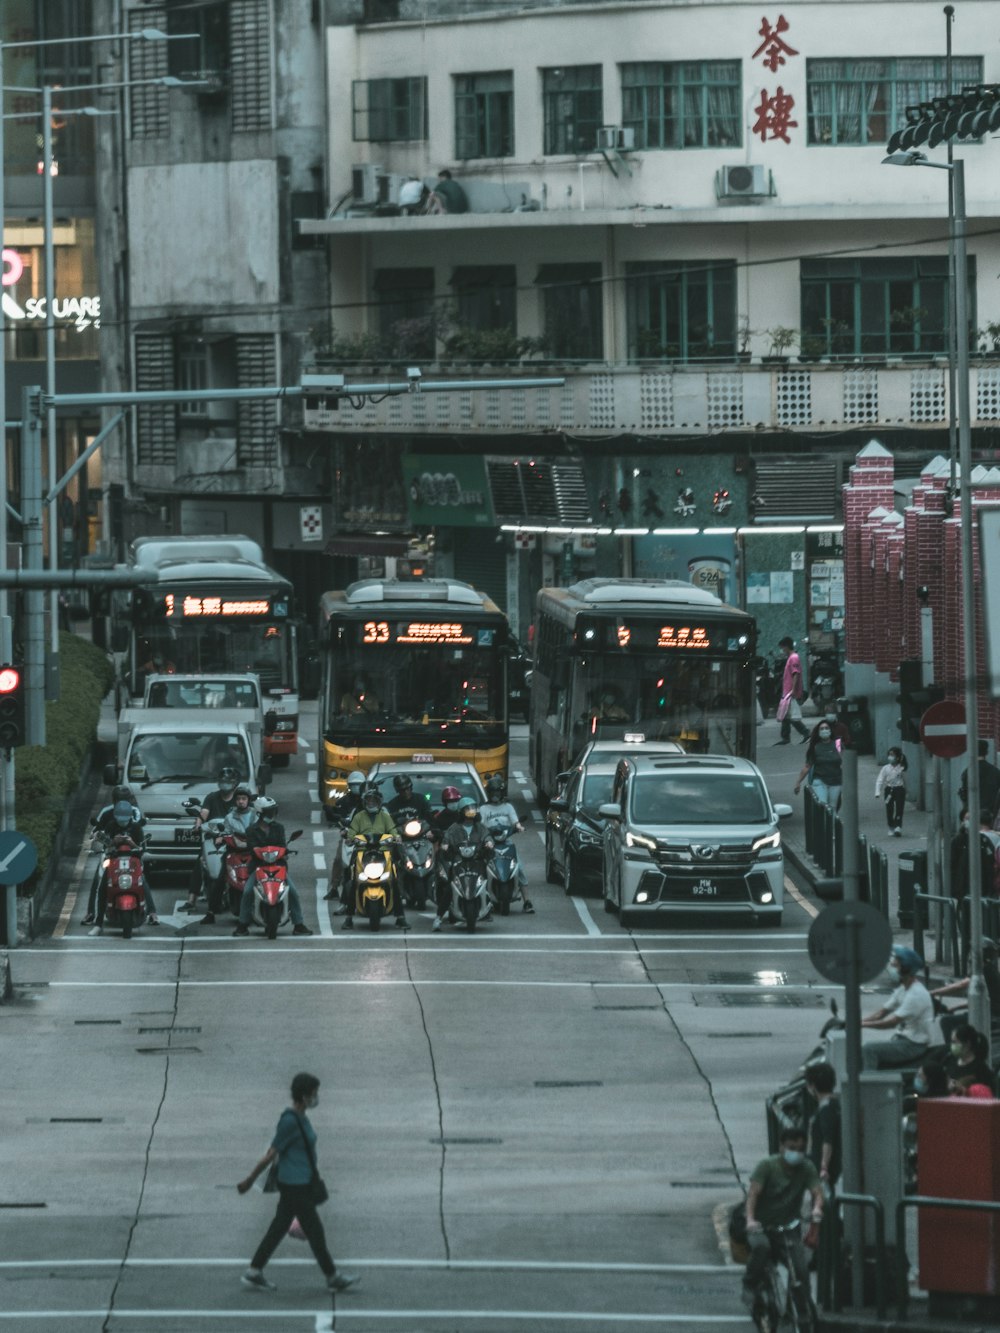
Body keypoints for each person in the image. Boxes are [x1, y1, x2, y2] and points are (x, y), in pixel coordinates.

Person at [237, 1071, 359, 1295]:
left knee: (280, 1228)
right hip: (295, 1186)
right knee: (314, 1231)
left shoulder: (300, 1118)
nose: (316, 1098)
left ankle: (254, 1271)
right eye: (314, 1094)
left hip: (299, 1183)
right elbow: (270, 1154)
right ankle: (332, 1276)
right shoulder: (289, 1121)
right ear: (304, 1096)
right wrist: (249, 1180)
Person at [742, 1126, 824, 1315]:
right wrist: (751, 1220)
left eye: (801, 1149)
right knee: (761, 1248)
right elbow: (753, 1194)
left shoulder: (807, 1168)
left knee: (801, 1270)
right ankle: (749, 1284)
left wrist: (817, 1208)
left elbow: (817, 1192)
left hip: (788, 1228)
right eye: (791, 1148)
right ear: (781, 1147)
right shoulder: (767, 1166)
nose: (796, 1153)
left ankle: (801, 1306)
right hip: (761, 1226)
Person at [233, 798, 312, 937]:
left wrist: (284, 852)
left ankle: (298, 924)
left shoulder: (279, 827)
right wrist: (258, 851)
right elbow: (252, 847)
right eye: (269, 811)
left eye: (273, 811)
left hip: (278, 866)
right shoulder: (251, 830)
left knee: (293, 892)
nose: (272, 814)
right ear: (260, 813)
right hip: (258, 867)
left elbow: (282, 845)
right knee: (247, 893)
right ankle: (242, 925)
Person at [85, 793, 159, 930]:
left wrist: (132, 843)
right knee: (101, 883)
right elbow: (101, 838)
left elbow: (142, 846)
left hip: (133, 859)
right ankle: (95, 918)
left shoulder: (136, 824)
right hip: (112, 858)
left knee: (142, 880)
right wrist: (113, 842)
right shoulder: (110, 822)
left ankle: (152, 912)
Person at [341, 786, 408, 931]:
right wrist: (350, 839)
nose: (371, 803)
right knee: (353, 881)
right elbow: (351, 833)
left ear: (379, 803)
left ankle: (400, 917)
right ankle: (348, 917)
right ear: (364, 803)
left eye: (374, 801)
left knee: (394, 881)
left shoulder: (385, 816)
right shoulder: (359, 816)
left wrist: (396, 837)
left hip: (383, 852)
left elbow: (392, 831)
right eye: (369, 801)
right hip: (362, 852)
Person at [180, 766, 241, 918]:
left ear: (235, 783)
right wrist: (198, 824)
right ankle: (191, 900)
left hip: (232, 839)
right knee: (200, 861)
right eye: (222, 781)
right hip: (212, 836)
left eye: (228, 781)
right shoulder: (212, 797)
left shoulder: (239, 798)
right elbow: (203, 814)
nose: (225, 784)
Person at [861, 945, 934, 1069]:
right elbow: (881, 1013)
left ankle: (869, 1085)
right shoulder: (903, 989)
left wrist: (862, 1025)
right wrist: (858, 1022)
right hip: (902, 1039)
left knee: (869, 1049)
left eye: (896, 965)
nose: (892, 968)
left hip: (913, 1045)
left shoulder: (915, 994)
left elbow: (891, 1023)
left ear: (905, 969)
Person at [434, 796, 493, 932]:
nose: (471, 811)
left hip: (477, 861)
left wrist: (489, 843)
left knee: (484, 880)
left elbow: (487, 836)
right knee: (450, 888)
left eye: (473, 808)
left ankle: (487, 907)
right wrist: (445, 845)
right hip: (458, 862)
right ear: (461, 811)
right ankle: (438, 918)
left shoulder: (480, 827)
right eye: (467, 809)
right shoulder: (454, 828)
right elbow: (446, 839)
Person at [479, 775, 533, 913]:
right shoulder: (484, 809)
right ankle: (480, 899)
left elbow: (515, 821)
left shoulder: (508, 807)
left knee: (519, 867)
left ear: (501, 792)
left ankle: (527, 901)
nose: (495, 795)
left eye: (497, 792)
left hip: (506, 842)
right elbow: (480, 826)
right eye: (492, 792)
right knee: (480, 868)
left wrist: (519, 827)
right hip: (489, 844)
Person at [929, 938, 1000, 1043]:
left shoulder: (983, 971)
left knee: (946, 1022)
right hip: (989, 1014)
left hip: (989, 1017)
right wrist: (954, 1008)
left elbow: (960, 985)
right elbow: (977, 1000)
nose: (970, 955)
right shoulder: (989, 969)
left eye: (972, 951)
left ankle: (953, 1055)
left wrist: (933, 992)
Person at [325, 771, 367, 906]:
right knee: (339, 859)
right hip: (349, 836)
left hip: (367, 836)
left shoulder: (368, 801)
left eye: (358, 785)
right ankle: (334, 887)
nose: (356, 788)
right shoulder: (342, 802)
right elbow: (336, 815)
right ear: (349, 786)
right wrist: (334, 817)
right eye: (353, 785)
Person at [804, 1062, 841, 1192]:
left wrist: (824, 1166)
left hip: (825, 1170)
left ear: (813, 1086)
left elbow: (828, 1139)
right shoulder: (834, 1104)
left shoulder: (826, 1108)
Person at [794, 719, 843, 809]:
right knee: (823, 806)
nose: (824, 730)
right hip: (820, 781)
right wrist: (798, 782)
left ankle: (831, 823)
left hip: (836, 781)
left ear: (830, 730)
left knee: (833, 808)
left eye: (826, 728)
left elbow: (843, 762)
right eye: (822, 729)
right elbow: (807, 766)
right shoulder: (815, 747)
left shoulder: (837, 745)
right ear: (818, 732)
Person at [943, 1023, 996, 1095]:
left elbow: (987, 1094)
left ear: (967, 1043)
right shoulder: (950, 1061)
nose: (952, 1045)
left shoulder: (981, 1068)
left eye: (955, 1042)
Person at [775, 637, 809, 744]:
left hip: (790, 692)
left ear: (786, 646)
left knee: (791, 716)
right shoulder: (791, 658)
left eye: (782, 648)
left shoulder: (794, 658)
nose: (782, 650)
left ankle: (806, 733)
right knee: (786, 715)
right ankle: (785, 738)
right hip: (787, 691)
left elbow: (795, 674)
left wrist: (793, 690)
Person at [959, 740, 1000, 821]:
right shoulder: (995, 772)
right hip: (990, 814)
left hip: (971, 813)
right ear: (987, 752)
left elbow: (964, 795)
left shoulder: (968, 772)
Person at [875, 746, 908, 837]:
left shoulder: (901, 768)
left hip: (899, 789)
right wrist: (877, 791)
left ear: (897, 757)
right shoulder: (885, 768)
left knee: (899, 808)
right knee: (889, 808)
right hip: (889, 789)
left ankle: (898, 826)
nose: (890, 757)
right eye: (889, 755)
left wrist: (906, 790)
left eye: (892, 755)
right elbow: (880, 779)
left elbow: (905, 780)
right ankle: (890, 825)